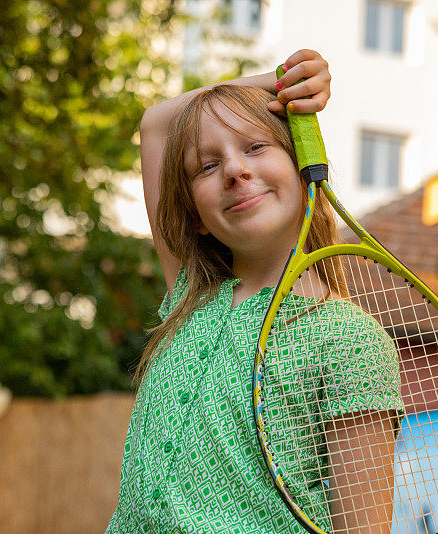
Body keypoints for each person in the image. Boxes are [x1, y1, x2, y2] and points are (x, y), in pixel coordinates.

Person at [106, 49, 402, 533]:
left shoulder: (348, 339)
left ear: (304, 168)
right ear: (196, 217)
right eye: (206, 165)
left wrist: (280, 97)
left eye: (256, 147)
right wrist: (275, 83)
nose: (234, 170)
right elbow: (157, 123)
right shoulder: (189, 297)